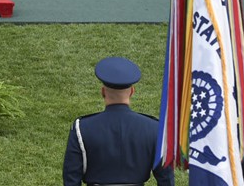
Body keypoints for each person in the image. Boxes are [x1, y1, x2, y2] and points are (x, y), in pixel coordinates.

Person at [63, 57, 174, 186]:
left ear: (103, 92)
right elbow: (166, 179)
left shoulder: (82, 128)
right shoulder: (155, 129)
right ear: (132, 92)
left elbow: (71, 178)